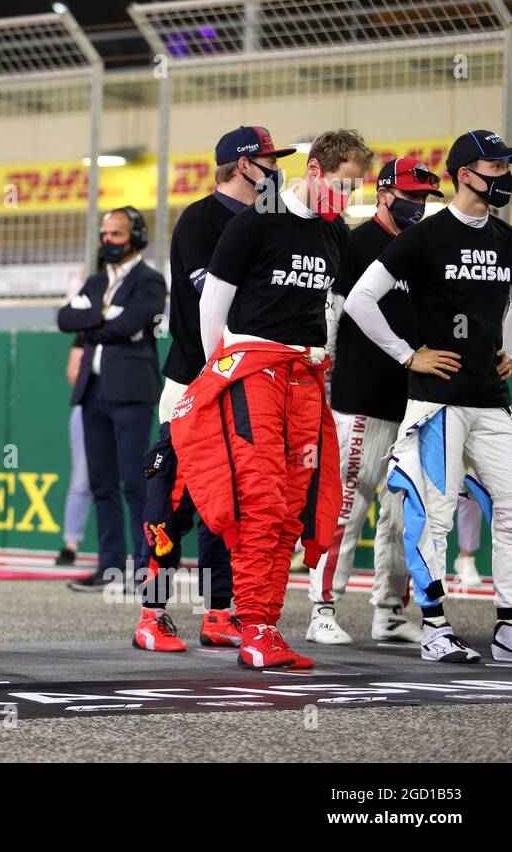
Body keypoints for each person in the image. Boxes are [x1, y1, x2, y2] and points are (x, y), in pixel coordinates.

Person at [172, 129, 371, 670]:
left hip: (306, 379)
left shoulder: (337, 235)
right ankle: (252, 625)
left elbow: (333, 307)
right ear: (312, 170)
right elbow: (213, 305)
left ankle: (265, 625)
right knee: (259, 501)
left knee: (292, 506)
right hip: (253, 373)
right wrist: (223, 374)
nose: (346, 197)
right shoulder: (254, 221)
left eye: (355, 189)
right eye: (340, 184)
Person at [347, 129, 512, 664]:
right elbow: (360, 300)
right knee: (432, 512)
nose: (505, 177)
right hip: (437, 401)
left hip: (491, 397)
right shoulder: (426, 236)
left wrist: (507, 349)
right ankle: (435, 626)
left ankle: (508, 625)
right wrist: (406, 354)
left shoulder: (506, 238)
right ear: (466, 175)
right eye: (496, 169)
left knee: (510, 508)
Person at [134, 127, 290, 651]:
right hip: (192, 381)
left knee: (230, 504)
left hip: (244, 383)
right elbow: (217, 302)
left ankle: (218, 610)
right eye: (268, 159)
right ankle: (151, 613)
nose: (276, 168)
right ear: (241, 164)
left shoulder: (273, 221)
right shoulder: (201, 220)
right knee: (171, 495)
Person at [306, 156, 442, 646]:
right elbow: (334, 313)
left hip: (409, 399)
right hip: (360, 398)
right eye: (410, 196)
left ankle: (388, 609)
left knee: (402, 509)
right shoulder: (359, 242)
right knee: (348, 504)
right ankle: (322, 607)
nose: (418, 205)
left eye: (425, 198)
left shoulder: (422, 248)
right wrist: (326, 375)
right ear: (384, 193)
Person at [58, 207, 166, 593]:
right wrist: (105, 316)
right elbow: (65, 319)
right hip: (93, 390)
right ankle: (108, 565)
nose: (108, 241)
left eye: (116, 234)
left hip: (132, 391)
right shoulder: (95, 281)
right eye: (105, 233)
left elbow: (131, 323)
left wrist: (98, 320)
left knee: (135, 483)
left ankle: (144, 568)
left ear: (135, 237)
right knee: (101, 482)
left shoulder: (151, 281)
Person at [55, 335, 92, 566]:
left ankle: (149, 546)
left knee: (130, 482)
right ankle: (71, 544)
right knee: (81, 478)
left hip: (123, 405)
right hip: (88, 407)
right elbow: (73, 373)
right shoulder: (85, 332)